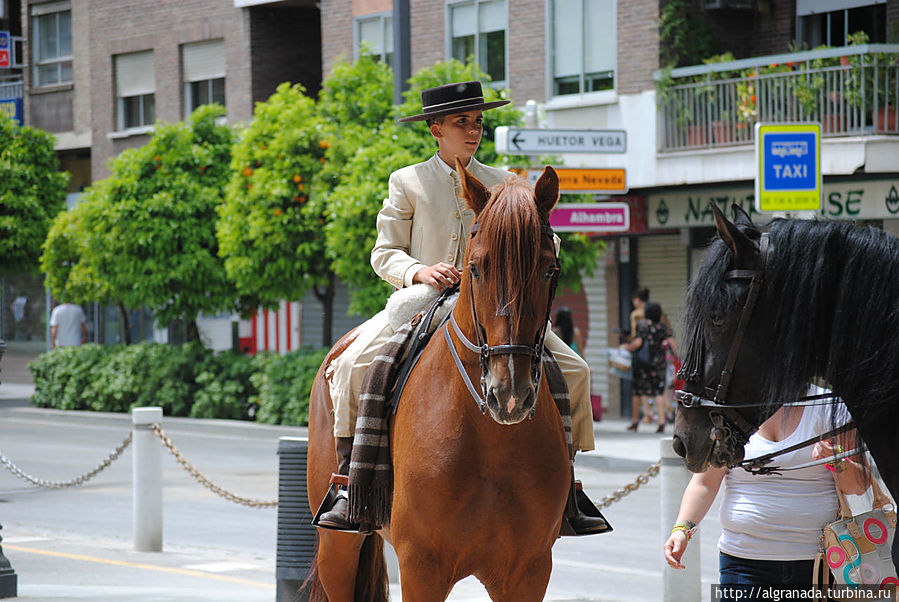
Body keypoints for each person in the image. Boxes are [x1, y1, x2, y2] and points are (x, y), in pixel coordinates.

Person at [318, 80, 604, 535]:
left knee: (576, 368)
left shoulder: (507, 184)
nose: (473, 131)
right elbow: (384, 252)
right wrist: (419, 270)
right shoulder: (408, 181)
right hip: (423, 298)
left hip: (494, 303)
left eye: (478, 123)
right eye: (461, 123)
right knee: (354, 363)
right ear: (435, 128)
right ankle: (350, 483)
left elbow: (537, 237)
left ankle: (568, 485)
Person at [663, 392, 868, 596]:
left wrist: (836, 460)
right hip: (742, 564)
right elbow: (704, 483)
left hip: (819, 564)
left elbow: (859, 485)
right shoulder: (731, 407)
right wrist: (682, 529)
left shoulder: (828, 405)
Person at [624, 301, 676, 432]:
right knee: (658, 392)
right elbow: (673, 344)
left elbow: (637, 343)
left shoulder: (643, 326)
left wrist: (628, 347)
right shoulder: (663, 328)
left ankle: (635, 421)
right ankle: (661, 421)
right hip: (658, 364)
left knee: (637, 391)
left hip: (642, 365)